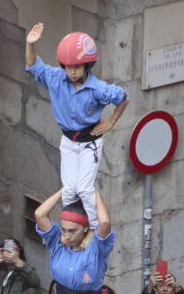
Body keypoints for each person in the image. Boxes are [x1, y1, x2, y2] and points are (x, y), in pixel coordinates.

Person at [24, 24, 126, 229]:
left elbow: (123, 98)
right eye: (68, 67)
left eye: (77, 67)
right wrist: (30, 44)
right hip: (68, 140)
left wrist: (111, 122)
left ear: (87, 66)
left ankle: (96, 231)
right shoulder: (55, 78)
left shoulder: (98, 88)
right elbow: (33, 66)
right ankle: (72, 228)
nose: (72, 71)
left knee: (85, 189)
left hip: (90, 142)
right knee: (69, 190)